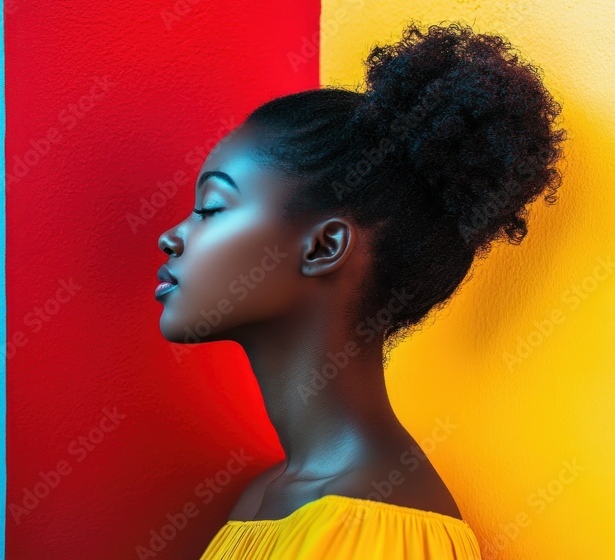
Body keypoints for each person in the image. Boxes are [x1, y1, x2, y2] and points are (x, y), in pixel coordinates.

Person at [154, 21, 566, 559]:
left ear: (324, 248)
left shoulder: (370, 530)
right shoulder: (268, 497)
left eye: (211, 208)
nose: (171, 236)